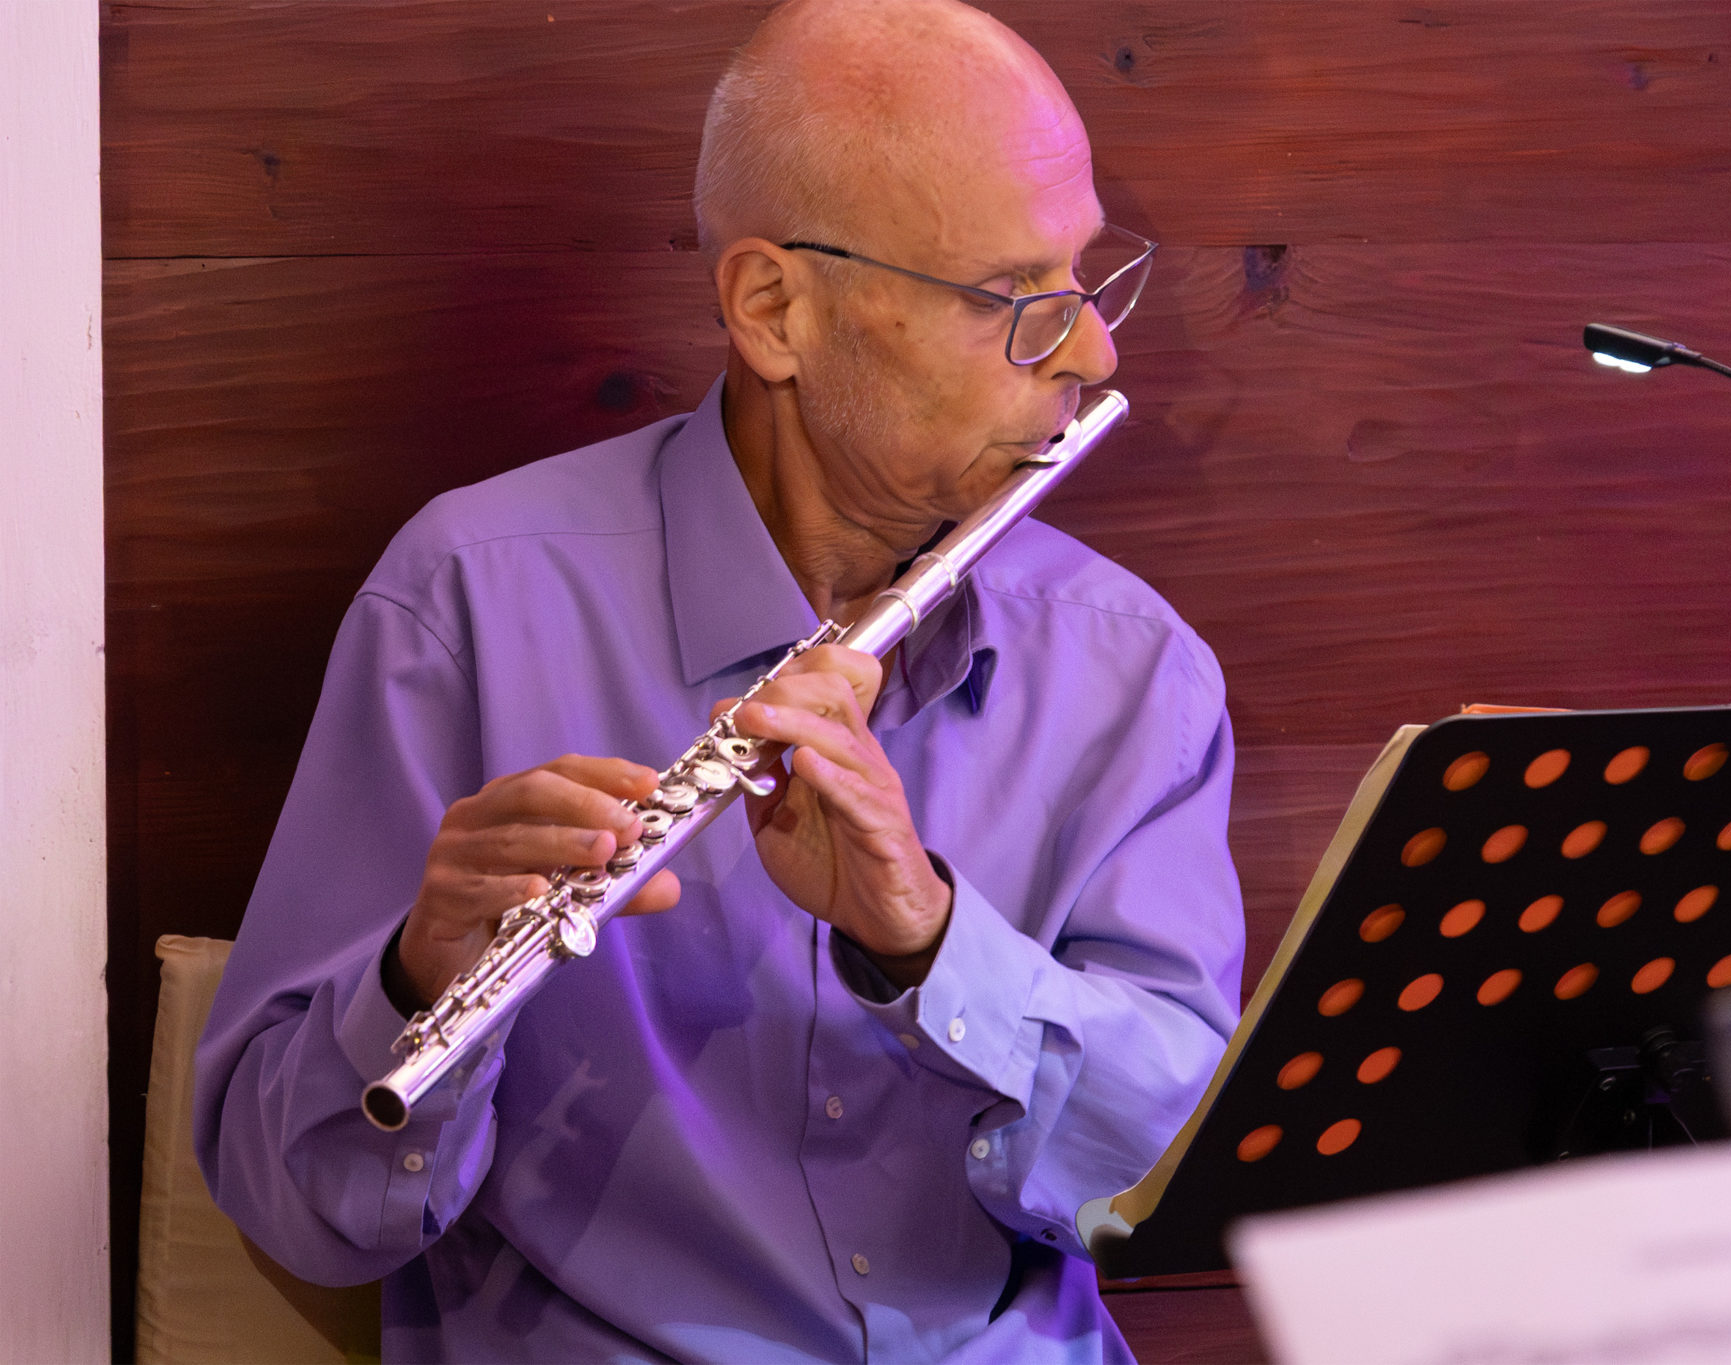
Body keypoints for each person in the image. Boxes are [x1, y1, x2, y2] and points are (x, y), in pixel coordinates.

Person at [194, 0, 1244, 1359]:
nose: (1095, 354)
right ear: (774, 310)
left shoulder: (1131, 666)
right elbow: (301, 1209)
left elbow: (1166, 1185)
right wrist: (415, 982)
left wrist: (929, 943)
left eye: (1087, 277)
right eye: (1015, 299)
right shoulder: (470, 604)